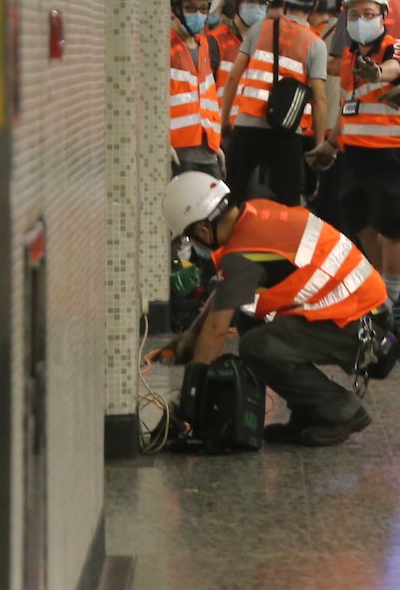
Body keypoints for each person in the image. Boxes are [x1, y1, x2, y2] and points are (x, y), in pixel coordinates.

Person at [157, 173, 386, 446]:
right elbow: (224, 294)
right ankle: (308, 411)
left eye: (190, 237)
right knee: (249, 319)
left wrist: (189, 403)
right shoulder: (253, 213)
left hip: (365, 331)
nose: (195, 245)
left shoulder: (242, 254)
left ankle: (342, 411)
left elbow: (217, 331)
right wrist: (189, 339)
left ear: (204, 229)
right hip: (362, 313)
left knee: (257, 346)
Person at [308, 0, 400, 306]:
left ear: (383, 17)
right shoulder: (349, 60)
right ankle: (383, 287)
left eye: (369, 13)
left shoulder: (398, 47)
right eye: (355, 14)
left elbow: (394, 69)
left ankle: (390, 296)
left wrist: (379, 72)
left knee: (392, 228)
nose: (362, 20)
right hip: (356, 156)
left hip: (396, 156)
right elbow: (349, 107)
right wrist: (331, 146)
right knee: (359, 220)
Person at [219, 0, 327, 205]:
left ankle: (231, 241)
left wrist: (225, 119)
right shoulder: (315, 45)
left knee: (232, 196)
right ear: (315, 4)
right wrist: (319, 144)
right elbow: (319, 99)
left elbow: (233, 78)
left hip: (247, 126)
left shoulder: (260, 28)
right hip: (287, 132)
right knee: (289, 201)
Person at [168, 0, 224, 176]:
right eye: (190, 8)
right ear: (175, 9)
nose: (198, 14)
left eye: (203, 8)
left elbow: (204, 97)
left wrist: (215, 144)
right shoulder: (164, 46)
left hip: (207, 150)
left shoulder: (204, 46)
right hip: (178, 153)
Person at [214, 0, 277, 94]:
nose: (257, 6)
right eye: (251, 0)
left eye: (262, 2)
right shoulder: (216, 40)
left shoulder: (271, 43)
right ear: (236, 1)